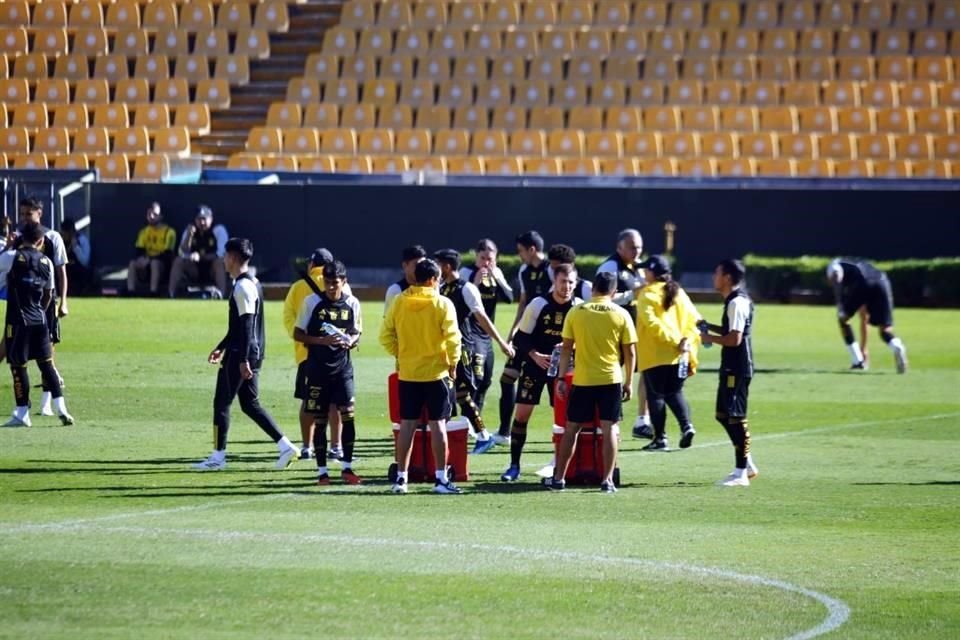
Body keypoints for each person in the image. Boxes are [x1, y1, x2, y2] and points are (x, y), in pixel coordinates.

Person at [193, 237, 298, 471]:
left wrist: (242, 360)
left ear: (232, 257)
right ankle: (285, 446)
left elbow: (247, 326)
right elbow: (239, 327)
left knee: (221, 402)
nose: (223, 259)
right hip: (250, 353)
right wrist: (220, 347)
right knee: (250, 404)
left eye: (225, 255)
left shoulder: (242, 287)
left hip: (243, 355)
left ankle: (217, 457)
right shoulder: (253, 283)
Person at [543, 272, 637, 493]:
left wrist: (560, 378)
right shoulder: (621, 313)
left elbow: (566, 348)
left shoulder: (576, 312)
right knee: (610, 429)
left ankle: (559, 479)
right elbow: (630, 352)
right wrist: (629, 381)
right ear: (613, 292)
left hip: (582, 380)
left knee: (571, 429)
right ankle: (607, 480)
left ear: (593, 288)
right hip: (610, 378)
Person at [379, 259, 463, 495]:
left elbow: (385, 335)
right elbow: (453, 339)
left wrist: (402, 353)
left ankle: (401, 479)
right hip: (436, 373)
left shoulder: (399, 301)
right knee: (438, 425)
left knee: (407, 425)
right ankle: (440, 479)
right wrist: (453, 364)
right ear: (434, 279)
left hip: (408, 373)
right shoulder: (442, 303)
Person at [501, 264, 582, 482]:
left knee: (565, 419)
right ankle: (514, 466)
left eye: (571, 282)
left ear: (576, 284)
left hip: (564, 370)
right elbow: (520, 337)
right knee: (522, 415)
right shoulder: (539, 304)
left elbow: (585, 340)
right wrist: (535, 355)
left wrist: (570, 349)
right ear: (554, 282)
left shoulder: (578, 308)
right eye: (562, 281)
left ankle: (559, 465)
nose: (566, 287)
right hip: (536, 367)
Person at [434, 249, 515, 455]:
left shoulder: (466, 288)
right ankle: (473, 436)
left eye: (438, 264)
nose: (436, 268)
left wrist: (501, 343)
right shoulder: (441, 288)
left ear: (447, 267)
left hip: (462, 348)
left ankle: (482, 436)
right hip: (445, 349)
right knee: (455, 394)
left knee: (461, 393)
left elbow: (482, 317)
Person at [294, 260, 363, 486]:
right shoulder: (311, 302)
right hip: (317, 370)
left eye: (336, 283)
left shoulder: (352, 303)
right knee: (320, 420)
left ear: (344, 282)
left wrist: (351, 341)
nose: (332, 287)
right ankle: (322, 473)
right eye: (328, 283)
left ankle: (347, 467)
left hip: (342, 369)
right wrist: (321, 341)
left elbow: (356, 331)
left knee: (349, 415)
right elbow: (298, 333)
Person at [282, 248, 353, 461]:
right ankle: (336, 447)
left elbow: (289, 321)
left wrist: (304, 343)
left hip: (308, 354)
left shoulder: (297, 287)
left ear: (312, 264)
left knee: (309, 401)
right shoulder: (342, 283)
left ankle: (307, 447)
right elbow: (350, 316)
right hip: (337, 355)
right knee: (336, 403)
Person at [1, 223, 74, 427]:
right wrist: (40, 311)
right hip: (41, 320)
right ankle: (62, 408)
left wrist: (9, 247)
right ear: (41, 241)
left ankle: (22, 412)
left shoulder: (11, 257)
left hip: (18, 320)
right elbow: (50, 293)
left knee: (18, 366)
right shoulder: (47, 262)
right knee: (47, 364)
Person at [701, 259, 759, 487]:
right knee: (722, 415)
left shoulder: (737, 302)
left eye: (716, 273)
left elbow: (734, 339)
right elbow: (731, 331)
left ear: (726, 277)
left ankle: (740, 473)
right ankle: (747, 463)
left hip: (738, 366)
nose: (713, 277)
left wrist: (708, 338)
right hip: (730, 365)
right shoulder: (733, 301)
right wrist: (709, 326)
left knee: (736, 416)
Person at [635, 255, 701, 452]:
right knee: (675, 392)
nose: (643, 273)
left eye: (646, 270)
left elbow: (652, 324)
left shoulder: (647, 294)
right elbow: (694, 320)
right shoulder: (679, 293)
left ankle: (660, 438)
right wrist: (685, 341)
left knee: (655, 396)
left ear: (652, 273)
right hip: (680, 354)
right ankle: (686, 425)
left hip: (655, 354)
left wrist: (674, 340)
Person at [496, 231, 553, 447]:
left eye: (520, 251)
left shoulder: (551, 269)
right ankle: (503, 432)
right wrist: (512, 333)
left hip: (543, 341)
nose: (519, 256)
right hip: (525, 336)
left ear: (531, 250)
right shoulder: (524, 270)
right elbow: (523, 303)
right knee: (507, 378)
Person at [595, 228, 652, 439]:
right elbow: (601, 296)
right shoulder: (611, 266)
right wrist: (631, 294)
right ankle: (604, 419)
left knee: (646, 370)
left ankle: (642, 421)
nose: (636, 251)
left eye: (639, 247)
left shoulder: (639, 266)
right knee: (611, 375)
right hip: (614, 330)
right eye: (632, 247)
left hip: (637, 330)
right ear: (619, 247)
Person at [826, 259, 908, 374]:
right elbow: (864, 316)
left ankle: (857, 361)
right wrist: (864, 348)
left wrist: (839, 302)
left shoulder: (834, 265)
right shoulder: (859, 265)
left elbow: (836, 274)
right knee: (885, 329)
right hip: (882, 281)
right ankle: (897, 346)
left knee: (843, 320)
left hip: (863, 284)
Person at [460, 239, 513, 414]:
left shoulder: (496, 273)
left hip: (487, 333)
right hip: (470, 332)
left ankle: (475, 422)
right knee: (477, 377)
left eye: (490, 259)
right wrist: (474, 283)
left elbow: (509, 298)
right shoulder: (466, 272)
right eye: (483, 258)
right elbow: (460, 302)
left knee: (486, 381)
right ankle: (469, 423)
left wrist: (496, 278)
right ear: (476, 256)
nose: (487, 263)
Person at [168, 205, 228, 298]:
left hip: (212, 269)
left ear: (211, 219)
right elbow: (182, 252)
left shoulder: (218, 230)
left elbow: (221, 254)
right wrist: (189, 236)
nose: (202, 222)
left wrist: (200, 257)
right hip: (194, 269)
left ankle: (221, 295)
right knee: (178, 261)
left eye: (204, 219)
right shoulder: (190, 229)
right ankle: (171, 295)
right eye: (199, 219)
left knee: (219, 262)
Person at [127, 202, 176, 296]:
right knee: (133, 263)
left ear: (161, 216)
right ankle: (130, 292)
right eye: (149, 214)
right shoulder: (144, 231)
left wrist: (149, 260)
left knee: (155, 263)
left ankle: (153, 292)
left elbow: (167, 254)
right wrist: (141, 259)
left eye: (155, 214)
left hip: (163, 267)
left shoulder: (169, 232)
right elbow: (139, 250)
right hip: (146, 266)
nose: (151, 217)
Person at [384, 245, 427, 312]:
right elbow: (389, 321)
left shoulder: (431, 287)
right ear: (405, 266)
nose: (421, 268)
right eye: (416, 265)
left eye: (423, 264)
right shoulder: (396, 290)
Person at [61, 218, 91, 296]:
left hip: (79, 275)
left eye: (66, 233)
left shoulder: (82, 240)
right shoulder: (61, 242)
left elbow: (85, 262)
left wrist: (75, 247)